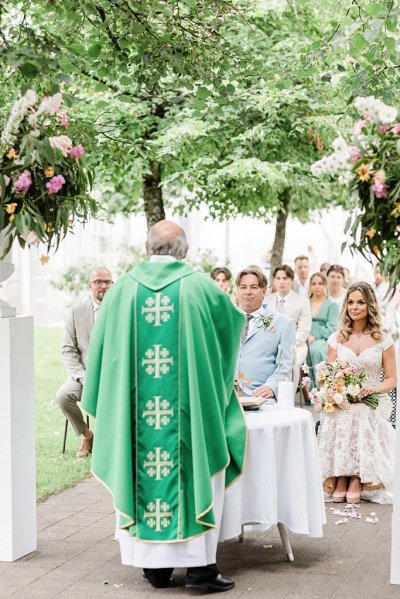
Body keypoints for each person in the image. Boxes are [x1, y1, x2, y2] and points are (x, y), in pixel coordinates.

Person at [81, 220, 247, 592]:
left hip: (136, 415)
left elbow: (101, 353)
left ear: (146, 246)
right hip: (190, 413)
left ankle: (153, 569)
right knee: (197, 470)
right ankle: (200, 570)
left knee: (142, 471)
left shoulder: (122, 290)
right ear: (185, 250)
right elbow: (232, 328)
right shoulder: (201, 287)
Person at [319, 282, 397, 504]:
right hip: (342, 398)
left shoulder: (384, 340)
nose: (355, 307)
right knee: (339, 411)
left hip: (372, 399)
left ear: (370, 305)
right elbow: (329, 374)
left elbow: (392, 379)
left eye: (361, 302)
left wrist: (373, 388)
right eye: (351, 302)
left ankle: (356, 478)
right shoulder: (337, 338)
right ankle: (340, 476)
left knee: (360, 412)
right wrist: (337, 392)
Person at [56, 266, 113, 459]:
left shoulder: (122, 312)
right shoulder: (76, 313)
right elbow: (67, 350)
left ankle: (117, 444)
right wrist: (82, 377)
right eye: (98, 282)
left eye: (107, 282)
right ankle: (87, 436)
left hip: (114, 377)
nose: (103, 286)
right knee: (63, 395)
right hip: (84, 376)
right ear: (90, 286)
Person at [236, 266, 295, 401]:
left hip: (260, 397)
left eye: (254, 287)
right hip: (226, 397)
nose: (248, 292)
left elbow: (285, 366)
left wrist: (271, 386)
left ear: (264, 291)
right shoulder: (224, 321)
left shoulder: (283, 324)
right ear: (237, 291)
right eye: (243, 287)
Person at [265, 264, 311, 389]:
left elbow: (304, 330)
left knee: (292, 361)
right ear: (274, 280)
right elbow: (263, 326)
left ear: (291, 280)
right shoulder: (266, 300)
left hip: (296, 344)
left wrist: (287, 343)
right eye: (278, 278)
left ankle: (288, 399)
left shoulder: (303, 301)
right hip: (270, 342)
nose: (281, 282)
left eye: (285, 278)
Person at [307, 273, 339, 385]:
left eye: (320, 283)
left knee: (315, 350)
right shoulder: (305, 302)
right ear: (310, 286)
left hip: (324, 339)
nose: (317, 286)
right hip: (304, 336)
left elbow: (332, 328)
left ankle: (320, 390)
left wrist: (315, 336)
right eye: (314, 283)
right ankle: (306, 390)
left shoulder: (332, 305)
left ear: (325, 285)